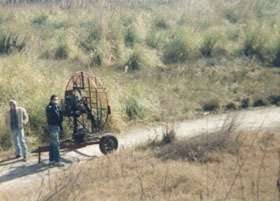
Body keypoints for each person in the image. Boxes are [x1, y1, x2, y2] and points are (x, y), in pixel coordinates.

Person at [46, 94, 64, 167]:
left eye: (57, 100)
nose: (56, 101)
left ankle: (51, 160)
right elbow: (55, 115)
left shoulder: (57, 107)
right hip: (52, 126)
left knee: (52, 144)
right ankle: (57, 161)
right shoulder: (49, 107)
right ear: (51, 100)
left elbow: (60, 117)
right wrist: (55, 107)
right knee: (56, 144)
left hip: (56, 126)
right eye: (54, 100)